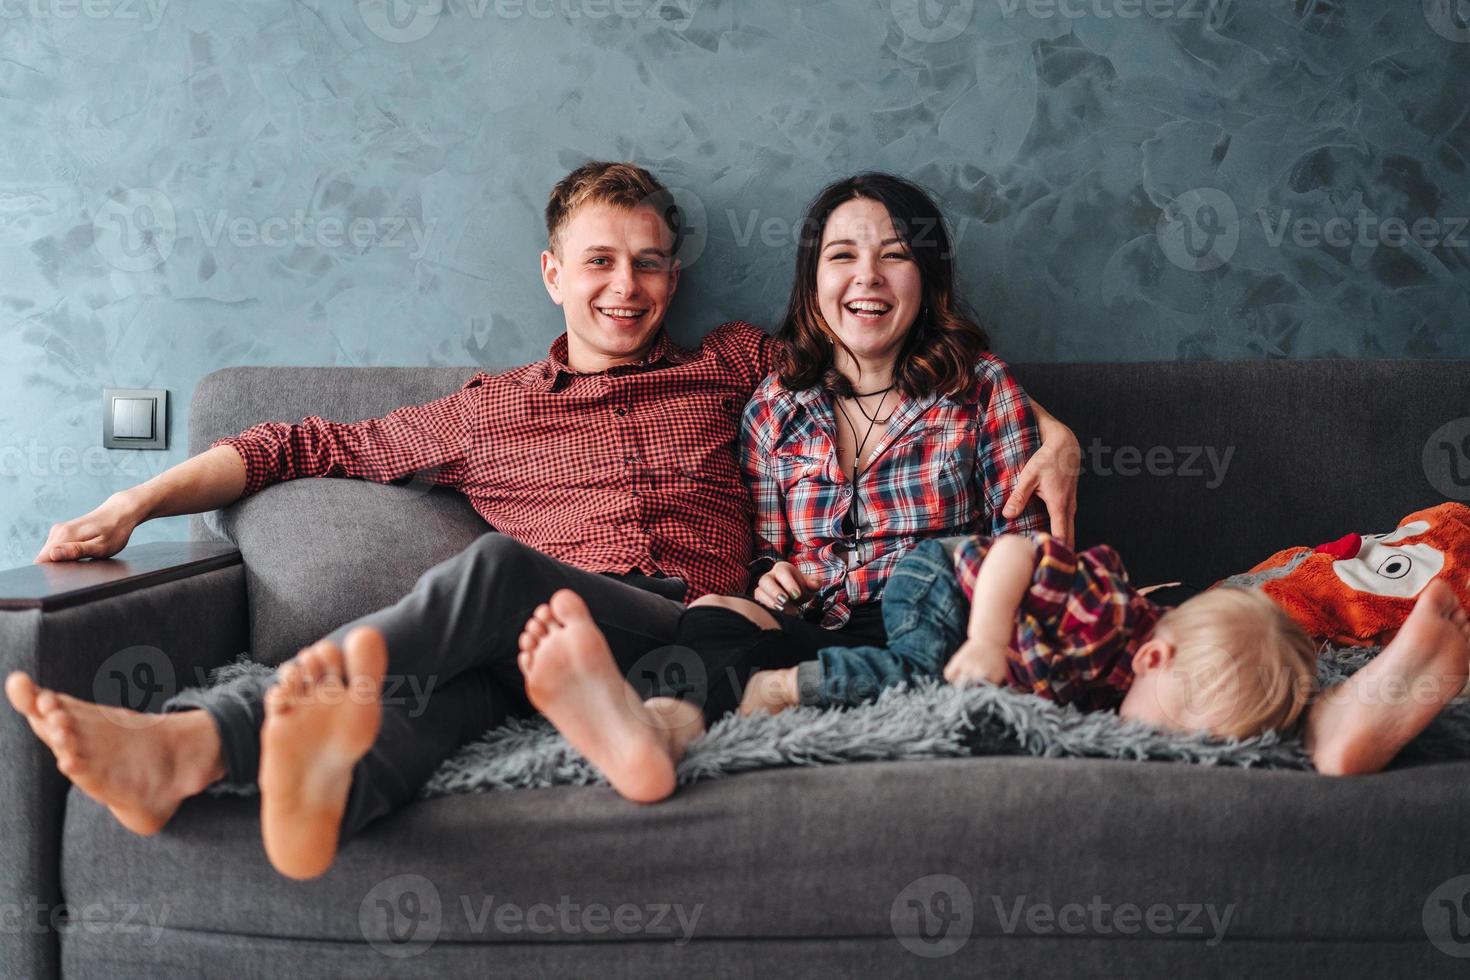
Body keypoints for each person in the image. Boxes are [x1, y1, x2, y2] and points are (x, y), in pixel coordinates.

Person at [5, 162, 1081, 879]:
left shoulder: (736, 364)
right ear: (553, 273)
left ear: (675, 275)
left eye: (651, 261)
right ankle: (279, 782)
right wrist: (134, 498)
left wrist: (1049, 428)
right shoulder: (485, 412)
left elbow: (883, 360)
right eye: (601, 261)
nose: (627, 286)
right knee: (449, 693)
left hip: (699, 620)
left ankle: (226, 728)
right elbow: (300, 444)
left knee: (507, 569)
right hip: (554, 655)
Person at [514, 173, 1059, 802]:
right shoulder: (777, 403)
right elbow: (767, 550)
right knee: (717, 613)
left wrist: (1056, 433)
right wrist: (772, 575)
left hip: (935, 625)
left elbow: (1027, 553)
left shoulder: (982, 391)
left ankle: (821, 689)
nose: (868, 277)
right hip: (820, 628)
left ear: (927, 277)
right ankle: (655, 733)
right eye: (843, 256)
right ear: (814, 279)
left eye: (895, 255)